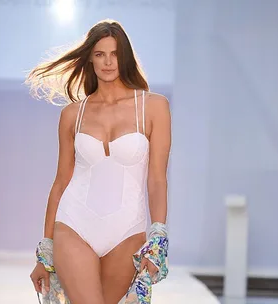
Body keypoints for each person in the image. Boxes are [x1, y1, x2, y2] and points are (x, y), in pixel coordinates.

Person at [26, 19, 171, 304]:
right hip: (74, 224)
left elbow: (157, 179)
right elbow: (60, 183)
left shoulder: (154, 107)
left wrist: (157, 242)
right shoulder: (72, 114)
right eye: (100, 54)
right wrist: (45, 253)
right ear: (90, 59)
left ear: (125, 57)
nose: (108, 62)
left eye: (115, 54)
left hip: (128, 230)